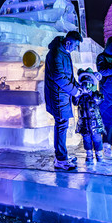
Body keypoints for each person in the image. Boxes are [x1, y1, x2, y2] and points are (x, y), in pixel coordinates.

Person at [45, 31, 83, 170]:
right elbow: (58, 77)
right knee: (61, 125)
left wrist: (77, 88)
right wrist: (75, 91)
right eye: (75, 46)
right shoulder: (55, 54)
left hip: (63, 95)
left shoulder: (65, 53)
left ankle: (62, 155)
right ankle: (60, 159)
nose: (75, 49)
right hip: (57, 96)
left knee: (63, 125)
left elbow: (69, 76)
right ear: (68, 42)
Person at [74, 68, 105, 163]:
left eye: (88, 84)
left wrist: (91, 92)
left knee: (97, 138)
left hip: (95, 122)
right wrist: (78, 94)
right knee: (86, 139)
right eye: (84, 84)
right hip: (83, 122)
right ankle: (89, 154)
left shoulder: (95, 94)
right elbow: (75, 102)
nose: (86, 86)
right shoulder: (80, 96)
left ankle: (99, 154)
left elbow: (99, 100)